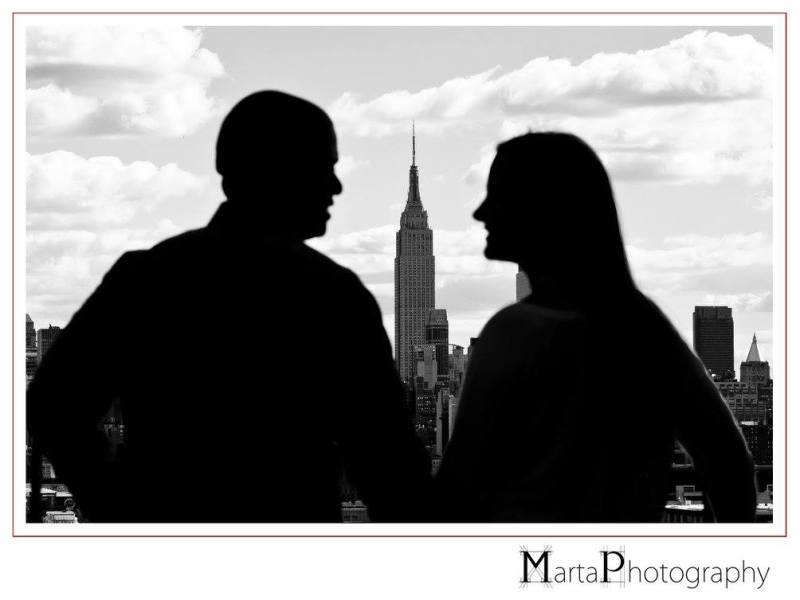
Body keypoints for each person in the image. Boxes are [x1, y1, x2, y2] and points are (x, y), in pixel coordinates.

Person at [27, 90, 432, 523]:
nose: (336, 186)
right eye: (324, 167)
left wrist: (116, 500)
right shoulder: (334, 297)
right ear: (276, 170)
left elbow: (53, 403)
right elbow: (390, 467)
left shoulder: (147, 277)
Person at [435, 132, 756, 522]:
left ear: (545, 207)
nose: (480, 212)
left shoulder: (513, 332)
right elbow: (728, 460)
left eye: (499, 194)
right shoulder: (645, 328)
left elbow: (456, 493)